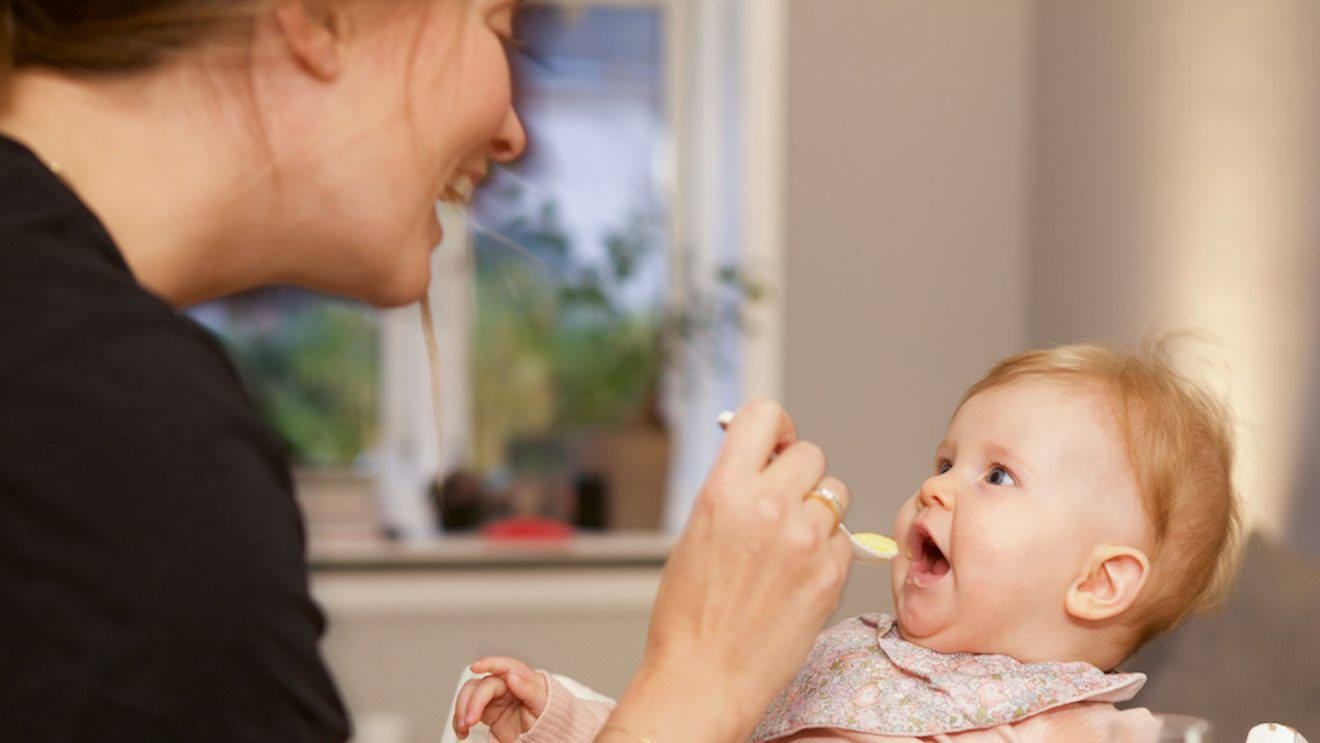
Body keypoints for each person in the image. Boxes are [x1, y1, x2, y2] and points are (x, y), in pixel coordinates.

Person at [0, 2, 853, 741]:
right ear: (321, 16)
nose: (515, 132)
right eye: (497, 29)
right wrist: (698, 683)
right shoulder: (107, 425)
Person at [453, 341, 1243, 743]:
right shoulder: (845, 657)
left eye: (997, 476)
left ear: (1100, 582)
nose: (937, 487)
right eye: (945, 461)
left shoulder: (1068, 728)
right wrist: (561, 717)